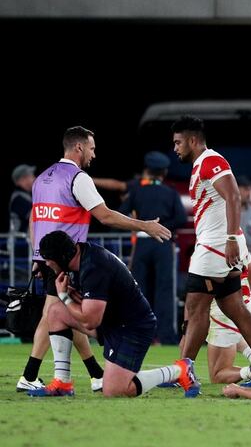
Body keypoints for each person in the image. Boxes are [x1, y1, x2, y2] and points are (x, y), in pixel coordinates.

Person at [22, 127, 171, 395]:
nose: (94, 153)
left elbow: (35, 219)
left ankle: (79, 376)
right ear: (78, 148)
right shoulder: (78, 178)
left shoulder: (42, 178)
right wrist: (144, 226)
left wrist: (37, 256)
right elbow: (105, 216)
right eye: (91, 148)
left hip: (49, 259)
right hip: (72, 260)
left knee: (62, 314)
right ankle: (34, 375)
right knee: (58, 314)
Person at [172, 115, 251, 390]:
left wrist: (231, 237)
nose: (175, 148)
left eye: (178, 142)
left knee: (195, 310)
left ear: (193, 140)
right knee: (236, 308)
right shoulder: (200, 165)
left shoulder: (210, 160)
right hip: (219, 245)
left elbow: (234, 195)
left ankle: (184, 371)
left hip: (215, 246)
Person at [30, 231, 199, 398]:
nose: (47, 264)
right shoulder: (81, 255)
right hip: (112, 321)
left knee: (114, 390)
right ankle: (62, 383)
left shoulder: (94, 266)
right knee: (55, 312)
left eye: (49, 261)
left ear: (61, 258)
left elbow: (90, 321)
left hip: (132, 328)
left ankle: (179, 371)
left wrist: (65, 297)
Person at [120, 151, 188, 344]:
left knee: (139, 288)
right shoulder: (171, 192)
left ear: (148, 171)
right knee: (165, 290)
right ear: (164, 172)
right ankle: (165, 335)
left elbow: (122, 212)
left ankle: (139, 333)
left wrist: (140, 223)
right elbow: (181, 218)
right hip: (163, 243)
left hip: (142, 241)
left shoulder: (137, 191)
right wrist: (163, 228)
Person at [8, 164, 34, 233]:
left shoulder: (25, 195)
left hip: (23, 241)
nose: (34, 178)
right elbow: (37, 217)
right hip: (19, 241)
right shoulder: (18, 198)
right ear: (23, 179)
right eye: (31, 176)